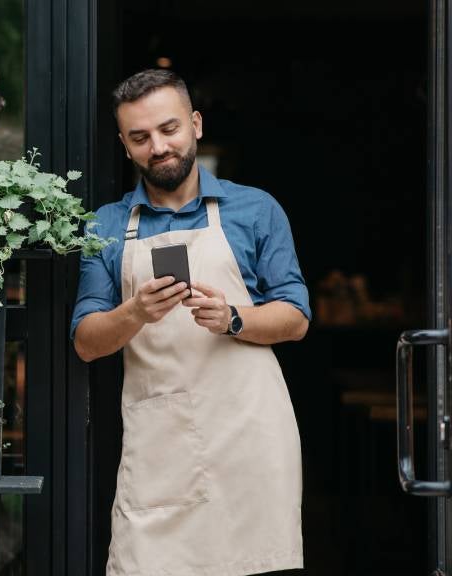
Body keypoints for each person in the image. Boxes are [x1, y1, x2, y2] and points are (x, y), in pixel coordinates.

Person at [71, 69, 311, 576]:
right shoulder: (108, 226)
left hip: (250, 441)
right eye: (140, 137)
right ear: (124, 145)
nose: (158, 147)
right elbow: (87, 343)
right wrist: (135, 311)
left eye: (169, 129)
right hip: (161, 444)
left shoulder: (255, 209)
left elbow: (295, 317)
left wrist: (233, 318)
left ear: (195, 125)